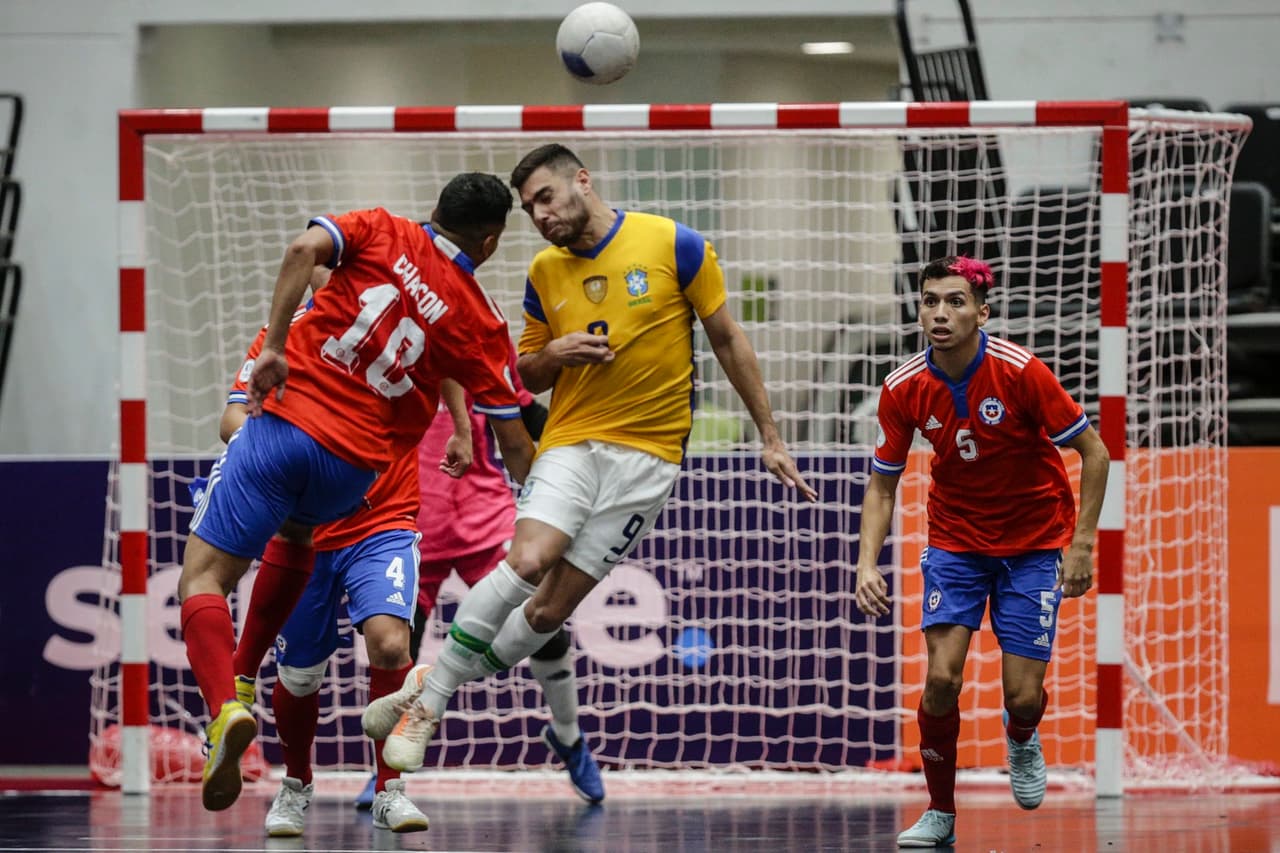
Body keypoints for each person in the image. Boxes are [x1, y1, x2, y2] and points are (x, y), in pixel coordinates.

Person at [368, 143, 819, 774]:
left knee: (548, 612)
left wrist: (769, 435)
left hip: (650, 461)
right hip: (572, 442)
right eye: (529, 209)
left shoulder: (676, 245)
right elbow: (524, 373)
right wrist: (556, 355)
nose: (540, 216)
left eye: (546, 198)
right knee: (528, 561)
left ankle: (433, 685)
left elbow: (727, 338)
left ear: (582, 180)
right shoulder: (544, 271)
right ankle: (432, 704)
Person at [178, 172, 535, 813]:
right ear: (491, 242)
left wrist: (278, 349)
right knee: (296, 542)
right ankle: (285, 757)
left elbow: (301, 250)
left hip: (308, 447)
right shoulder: (481, 320)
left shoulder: (378, 232)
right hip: (352, 473)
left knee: (205, 577)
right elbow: (505, 421)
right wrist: (544, 504)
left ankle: (229, 701)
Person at [852, 256, 1109, 848]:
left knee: (1022, 695)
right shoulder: (902, 386)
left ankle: (1021, 734)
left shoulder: (1021, 372)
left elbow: (1094, 454)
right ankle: (940, 811)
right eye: (930, 301)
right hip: (956, 544)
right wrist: (866, 563)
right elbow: (882, 485)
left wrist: (1081, 546)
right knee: (941, 680)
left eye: (955, 301)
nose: (940, 313)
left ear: (982, 313)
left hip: (1033, 544)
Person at [217, 307, 472, 835]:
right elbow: (231, 420)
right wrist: (287, 444)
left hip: (385, 521)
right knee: (299, 676)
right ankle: (295, 786)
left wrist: (462, 427)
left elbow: (444, 358)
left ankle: (389, 791)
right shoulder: (282, 337)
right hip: (304, 531)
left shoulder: (399, 321)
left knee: (390, 645)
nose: (334, 275)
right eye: (323, 270)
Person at [392, 347, 603, 804]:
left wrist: (597, 440)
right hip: (410, 517)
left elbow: (526, 412)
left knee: (543, 623)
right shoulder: (387, 338)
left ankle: (568, 735)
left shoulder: (478, 336)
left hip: (483, 515)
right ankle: (386, 771)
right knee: (397, 647)